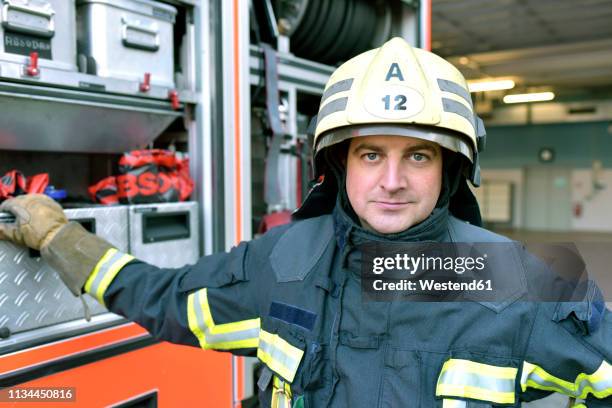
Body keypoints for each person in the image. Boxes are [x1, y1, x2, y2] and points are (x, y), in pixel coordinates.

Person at [1, 37, 610, 408]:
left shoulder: (528, 284)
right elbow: (167, 298)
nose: (391, 180)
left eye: (417, 155)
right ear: (336, 165)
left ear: (451, 170)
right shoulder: (287, 261)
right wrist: (63, 241)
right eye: (371, 153)